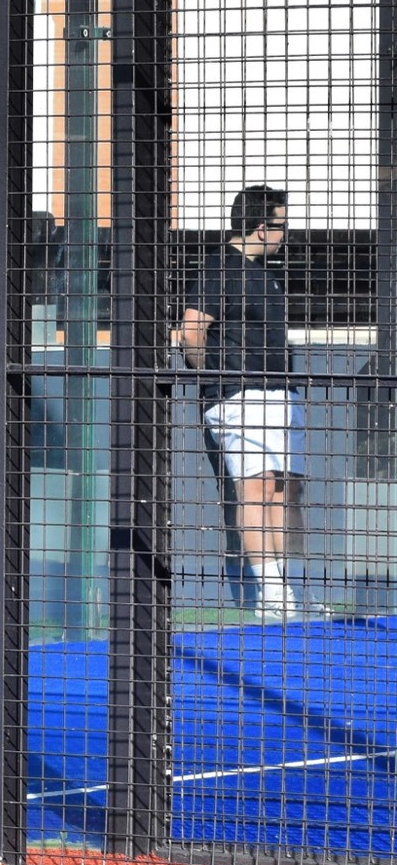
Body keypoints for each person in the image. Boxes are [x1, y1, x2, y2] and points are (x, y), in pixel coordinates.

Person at [180, 185, 303, 619]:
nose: (285, 235)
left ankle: (290, 591)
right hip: (239, 395)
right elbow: (191, 331)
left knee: (285, 490)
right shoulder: (220, 267)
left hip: (280, 393)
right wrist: (214, 376)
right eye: (281, 226)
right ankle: (272, 595)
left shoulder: (266, 273)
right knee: (256, 488)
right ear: (260, 227)